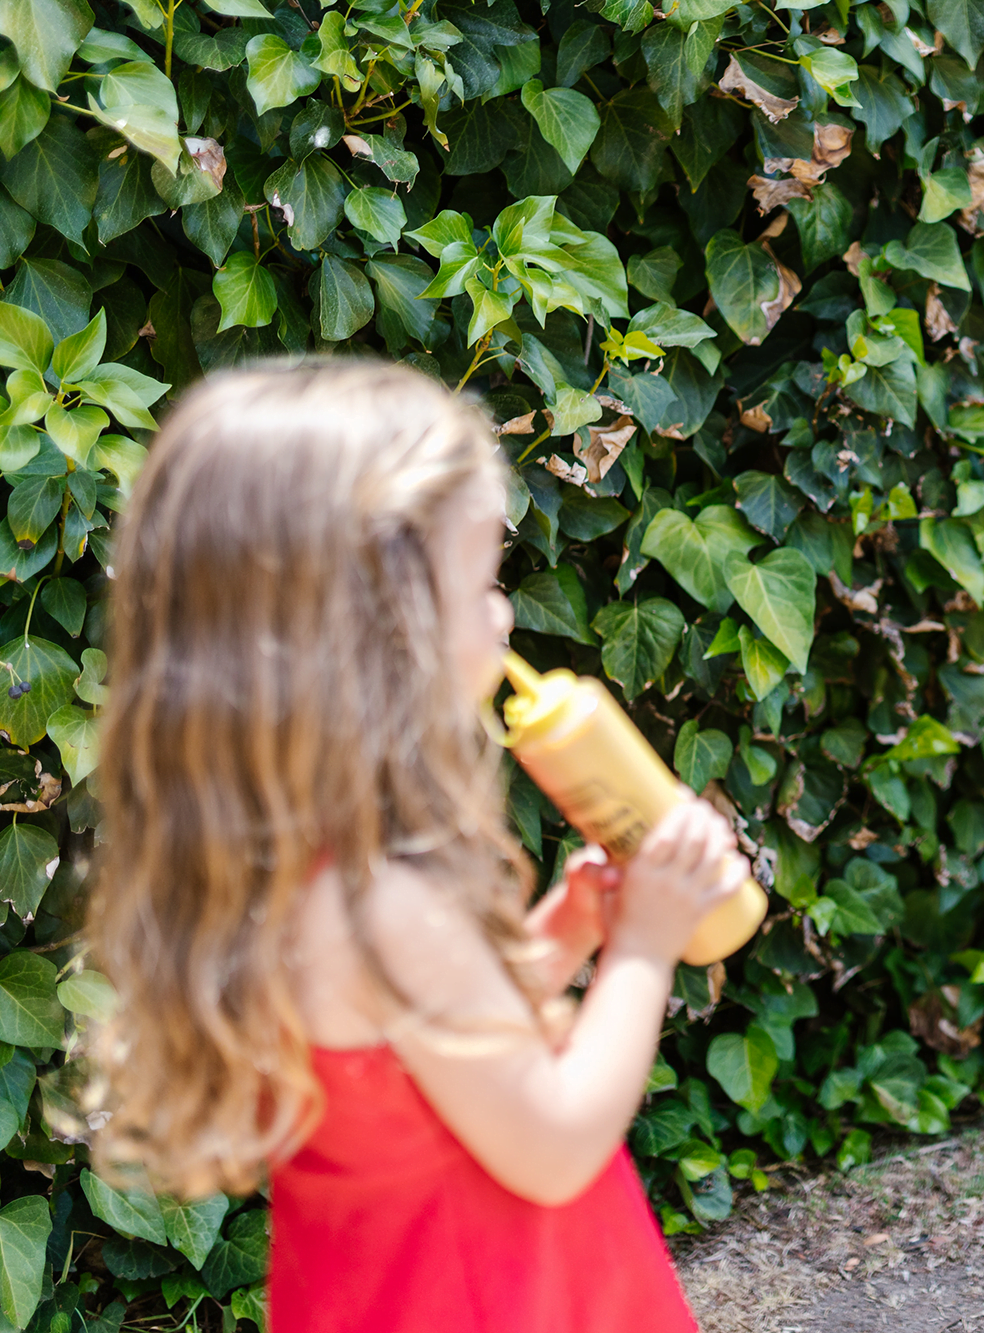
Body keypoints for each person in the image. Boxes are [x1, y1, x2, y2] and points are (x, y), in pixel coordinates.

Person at [87, 362, 747, 1332]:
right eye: (479, 581)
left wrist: (559, 939)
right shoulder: (381, 902)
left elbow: (420, 1065)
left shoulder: (291, 865)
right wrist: (643, 947)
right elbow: (554, 1138)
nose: (503, 613)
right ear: (377, 630)